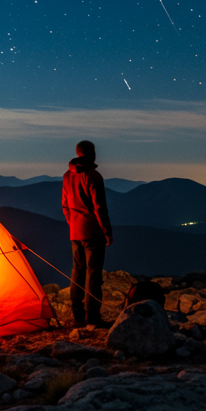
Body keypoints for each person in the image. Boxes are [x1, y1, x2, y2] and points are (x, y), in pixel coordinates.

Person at [61, 139, 113, 328]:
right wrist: (107, 232)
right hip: (93, 232)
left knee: (77, 271)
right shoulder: (94, 176)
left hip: (75, 231)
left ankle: (77, 315)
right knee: (93, 274)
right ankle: (92, 317)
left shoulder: (67, 176)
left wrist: (72, 223)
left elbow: (65, 205)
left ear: (77, 153)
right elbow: (99, 207)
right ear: (92, 154)